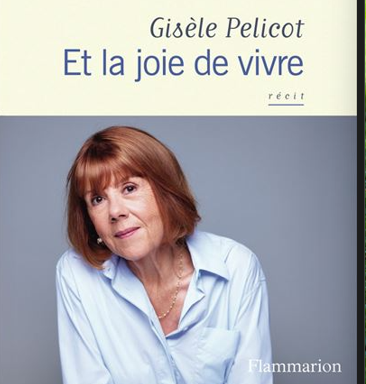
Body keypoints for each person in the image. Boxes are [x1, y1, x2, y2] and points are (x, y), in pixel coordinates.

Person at [55, 126, 272, 383]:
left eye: (129, 188)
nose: (115, 212)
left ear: (165, 191)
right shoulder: (77, 275)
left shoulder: (236, 266)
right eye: (98, 199)